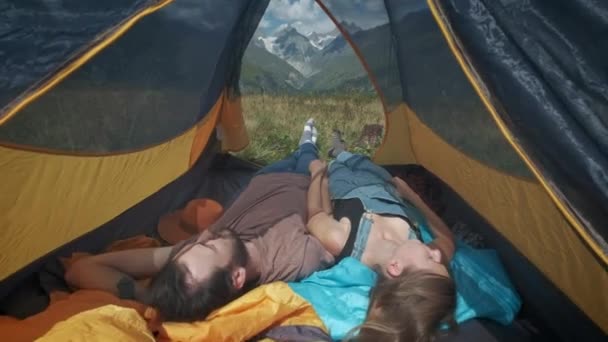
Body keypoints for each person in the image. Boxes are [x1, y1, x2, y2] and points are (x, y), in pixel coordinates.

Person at [65, 119, 334, 322]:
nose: (205, 235)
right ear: (237, 277)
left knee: (287, 157)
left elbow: (81, 269)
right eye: (210, 246)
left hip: (262, 179)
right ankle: (308, 143)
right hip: (301, 181)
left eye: (197, 244)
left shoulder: (193, 261)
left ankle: (301, 147)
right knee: (306, 155)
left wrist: (143, 294)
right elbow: (325, 220)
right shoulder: (295, 259)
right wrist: (317, 174)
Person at [306, 131, 456, 341]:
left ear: (395, 267)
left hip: (346, 187)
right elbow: (447, 239)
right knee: (357, 158)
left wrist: (317, 175)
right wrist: (412, 196)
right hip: (387, 186)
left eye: (430, 259)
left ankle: (334, 151)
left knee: (338, 164)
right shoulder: (416, 249)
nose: (437, 255)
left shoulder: (344, 241)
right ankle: (339, 147)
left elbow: (315, 215)